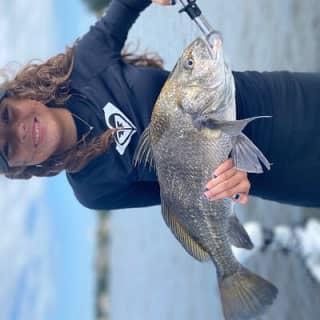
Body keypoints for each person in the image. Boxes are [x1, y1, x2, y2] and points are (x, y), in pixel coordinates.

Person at [0, 0, 319, 210]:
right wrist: (226, 186)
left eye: (6, 116)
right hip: (271, 173)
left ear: (18, 95)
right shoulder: (94, 190)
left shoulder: (85, 64)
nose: (19, 131)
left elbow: (127, 4)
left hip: (276, 100)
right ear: (18, 168)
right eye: (7, 148)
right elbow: (187, 201)